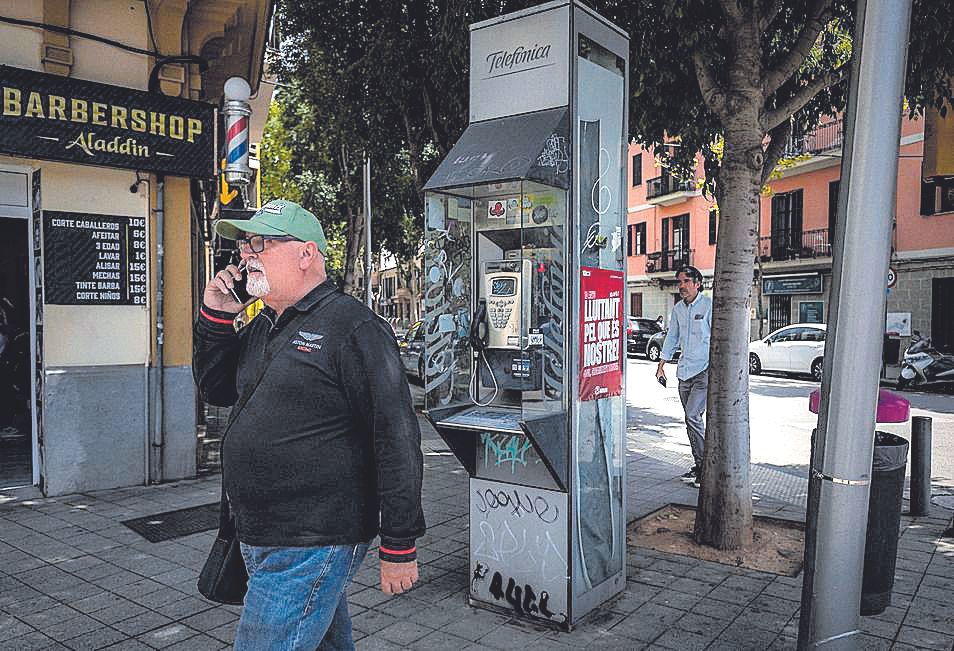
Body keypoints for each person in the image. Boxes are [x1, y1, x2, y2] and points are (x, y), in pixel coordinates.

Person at [193, 199, 425, 650]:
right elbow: (216, 387)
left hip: (311, 538)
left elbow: (396, 437)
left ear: (306, 254)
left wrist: (400, 542)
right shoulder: (266, 324)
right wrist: (217, 314)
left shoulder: (354, 328)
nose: (246, 255)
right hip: (259, 530)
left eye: (260, 243)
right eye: (244, 244)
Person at [655, 265, 711, 488]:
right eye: (679, 282)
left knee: (693, 417)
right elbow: (672, 338)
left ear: (697, 284)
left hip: (704, 372)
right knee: (690, 422)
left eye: (686, 281)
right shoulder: (678, 309)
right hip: (684, 373)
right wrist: (661, 366)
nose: (681, 286)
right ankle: (699, 465)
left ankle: (707, 468)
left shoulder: (709, 306)